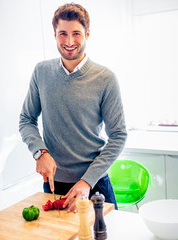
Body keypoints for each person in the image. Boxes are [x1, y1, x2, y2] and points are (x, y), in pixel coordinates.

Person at [19, 3, 127, 212]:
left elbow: (119, 135)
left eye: (76, 33)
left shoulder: (105, 78)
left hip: (94, 186)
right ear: (55, 35)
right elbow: (26, 119)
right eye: (63, 34)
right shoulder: (41, 72)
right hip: (53, 186)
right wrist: (40, 152)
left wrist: (86, 181)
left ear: (87, 34)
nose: (69, 42)